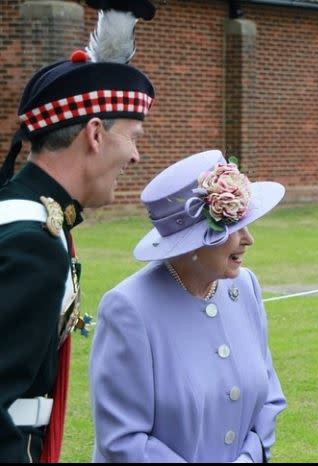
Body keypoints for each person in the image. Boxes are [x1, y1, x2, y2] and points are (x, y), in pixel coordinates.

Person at [0, 1, 155, 462]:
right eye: (133, 137)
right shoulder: (33, 243)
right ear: (94, 133)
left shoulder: (30, 216)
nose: (135, 157)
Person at [89, 149, 287, 462]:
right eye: (232, 229)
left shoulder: (245, 286)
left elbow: (269, 398)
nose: (248, 239)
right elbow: (122, 439)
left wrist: (248, 458)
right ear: (191, 242)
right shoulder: (128, 309)